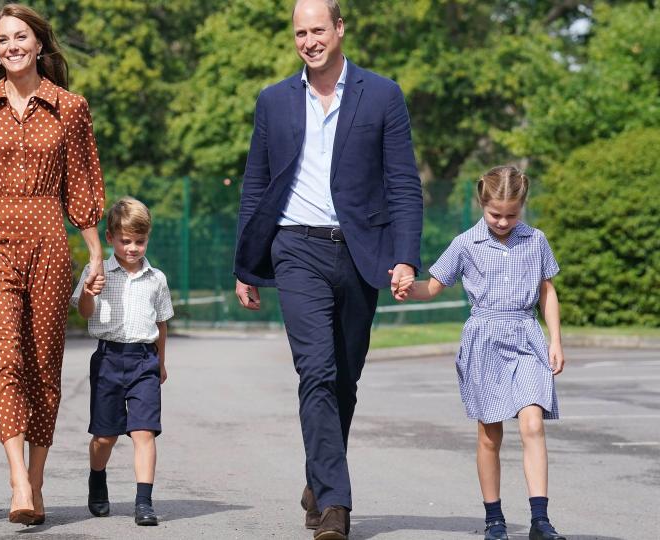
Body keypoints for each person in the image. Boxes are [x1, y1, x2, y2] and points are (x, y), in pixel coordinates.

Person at [233, 0, 423, 537]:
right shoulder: (274, 101)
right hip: (295, 249)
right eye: (300, 33)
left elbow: (404, 183)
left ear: (340, 29)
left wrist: (405, 255)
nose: (309, 41)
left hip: (362, 253)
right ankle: (335, 505)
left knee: (345, 377)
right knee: (315, 370)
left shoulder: (382, 94)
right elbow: (256, 185)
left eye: (318, 30)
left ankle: (319, 477)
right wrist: (246, 263)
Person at [0, 3, 106, 526]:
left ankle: (36, 480)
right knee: (6, 356)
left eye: (20, 37)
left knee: (43, 364)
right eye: (1, 40)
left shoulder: (71, 107)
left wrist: (96, 253)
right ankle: (18, 476)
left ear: (39, 44)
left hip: (49, 242)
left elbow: (82, 185)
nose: (11, 46)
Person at [400, 166, 567, 540]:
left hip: (526, 336)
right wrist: (404, 286)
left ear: (522, 207)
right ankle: (494, 519)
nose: (504, 221)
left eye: (512, 214)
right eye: (496, 214)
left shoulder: (535, 240)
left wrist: (555, 340)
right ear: (482, 204)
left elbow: (547, 292)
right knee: (490, 435)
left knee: (533, 424)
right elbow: (432, 287)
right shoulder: (465, 244)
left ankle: (540, 520)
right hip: (485, 339)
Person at [71, 197, 173, 526]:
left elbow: (161, 324)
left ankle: (143, 502)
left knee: (144, 432)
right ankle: (97, 479)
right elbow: (84, 313)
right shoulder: (96, 271)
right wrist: (89, 291)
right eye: (125, 241)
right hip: (108, 359)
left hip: (144, 360)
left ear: (147, 239)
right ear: (110, 238)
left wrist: (161, 362)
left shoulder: (156, 278)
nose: (132, 248)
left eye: (139, 241)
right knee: (105, 437)